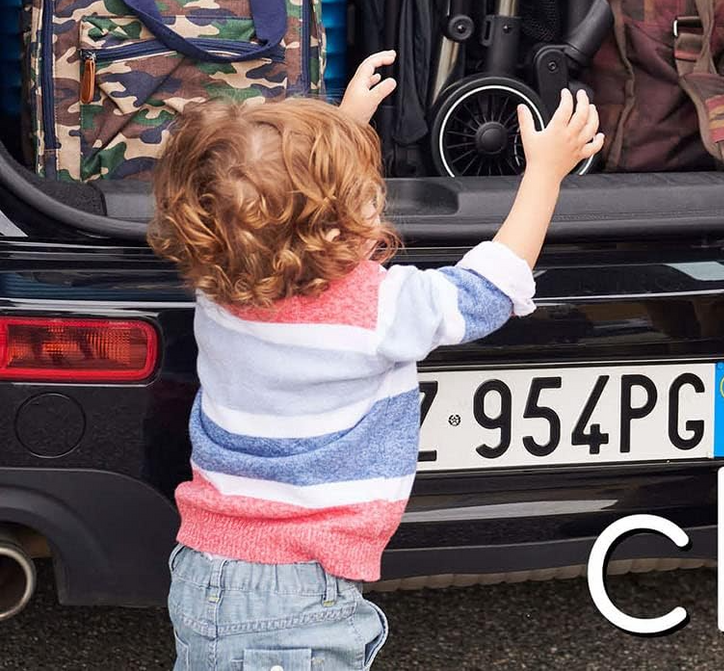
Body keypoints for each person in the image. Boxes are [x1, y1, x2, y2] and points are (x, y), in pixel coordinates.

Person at [148, 51, 602, 670]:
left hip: (214, 565)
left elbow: (266, 211)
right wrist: (545, 174)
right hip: (292, 597)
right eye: (365, 197)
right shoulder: (373, 309)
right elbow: (487, 290)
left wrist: (344, 125)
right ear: (329, 228)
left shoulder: (221, 281)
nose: (377, 208)